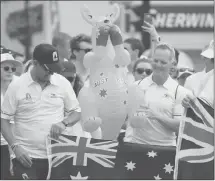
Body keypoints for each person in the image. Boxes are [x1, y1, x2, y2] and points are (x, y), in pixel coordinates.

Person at [1, 44, 81, 180]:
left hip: (57, 156)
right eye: (48, 69)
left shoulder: (62, 83)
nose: (51, 74)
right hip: (25, 157)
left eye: (54, 70)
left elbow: (76, 112)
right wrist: (15, 146)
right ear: (35, 63)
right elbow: (3, 119)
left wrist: (64, 122)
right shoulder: (17, 86)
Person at [124, 43, 191, 146]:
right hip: (137, 147)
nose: (158, 65)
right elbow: (125, 119)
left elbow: (180, 127)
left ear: (172, 64)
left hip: (166, 150)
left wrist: (156, 116)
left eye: (163, 62)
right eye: (155, 61)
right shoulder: (135, 86)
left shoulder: (181, 92)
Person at [1, 52, 23, 180]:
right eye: (6, 68)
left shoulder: (18, 89)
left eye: (13, 69)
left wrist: (12, 153)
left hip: (14, 145)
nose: (10, 71)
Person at [60, 61, 91, 138]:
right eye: (63, 79)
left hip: (78, 142)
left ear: (75, 79)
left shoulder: (84, 97)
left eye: (70, 79)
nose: (67, 83)